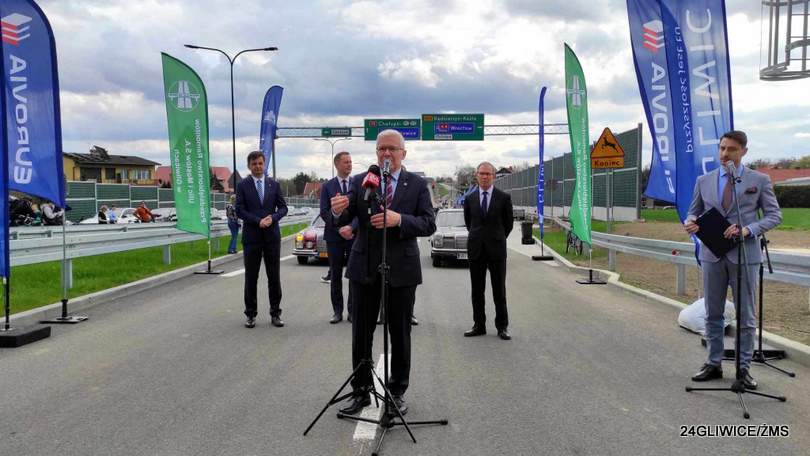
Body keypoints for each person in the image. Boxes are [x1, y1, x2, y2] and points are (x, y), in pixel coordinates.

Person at [331, 129, 436, 416]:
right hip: (364, 266)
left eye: (392, 148)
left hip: (401, 269)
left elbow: (429, 224)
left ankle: (396, 392)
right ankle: (361, 391)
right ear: (376, 152)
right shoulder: (361, 181)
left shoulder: (417, 184)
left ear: (404, 153)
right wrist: (337, 211)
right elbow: (345, 215)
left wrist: (399, 219)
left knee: (400, 334)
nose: (386, 153)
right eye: (381, 149)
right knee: (360, 333)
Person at [684, 130, 782, 389]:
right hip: (712, 255)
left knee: (746, 316)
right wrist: (690, 222)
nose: (725, 154)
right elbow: (693, 212)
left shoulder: (758, 180)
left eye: (731, 149)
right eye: (722, 148)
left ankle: (743, 369)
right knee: (713, 313)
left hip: (744, 255)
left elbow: (774, 215)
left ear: (744, 152)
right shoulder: (704, 180)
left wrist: (748, 230)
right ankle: (713, 363)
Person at [236, 151, 288, 328]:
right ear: (249, 166)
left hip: (272, 238)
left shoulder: (274, 185)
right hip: (252, 238)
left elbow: (283, 208)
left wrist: (272, 218)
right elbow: (240, 210)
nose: (258, 167)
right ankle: (250, 314)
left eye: (260, 163)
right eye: (254, 164)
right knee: (251, 278)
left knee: (274, 277)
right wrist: (258, 221)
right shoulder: (242, 185)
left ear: (264, 164)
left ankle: (275, 313)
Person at [463, 162, 514, 340]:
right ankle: (479, 325)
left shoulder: (504, 197)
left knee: (499, 291)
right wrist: (479, 238)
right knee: (477, 291)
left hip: (496, 251)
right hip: (476, 250)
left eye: (488, 174)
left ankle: (502, 327)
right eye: (481, 173)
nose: (484, 177)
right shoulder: (469, 198)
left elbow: (508, 224)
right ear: (476, 175)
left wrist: (496, 238)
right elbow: (469, 223)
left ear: (493, 176)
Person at [319, 151, 356, 324]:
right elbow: (324, 212)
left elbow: (361, 211)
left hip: (353, 236)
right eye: (346, 162)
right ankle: (337, 311)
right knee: (335, 275)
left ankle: (352, 311)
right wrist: (338, 226)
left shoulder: (357, 184)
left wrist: (351, 227)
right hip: (334, 237)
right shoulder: (328, 186)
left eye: (350, 161)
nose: (349, 164)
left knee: (354, 275)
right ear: (337, 165)